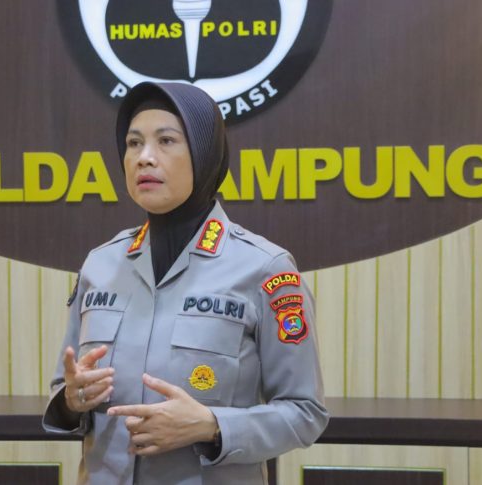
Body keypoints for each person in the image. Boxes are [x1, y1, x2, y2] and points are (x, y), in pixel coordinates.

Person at [42, 81, 328, 484]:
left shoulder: (265, 268)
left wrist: (212, 426)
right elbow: (63, 388)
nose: (144, 157)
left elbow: (305, 412)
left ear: (204, 153)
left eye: (166, 141)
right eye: (133, 143)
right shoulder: (100, 265)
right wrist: (72, 399)